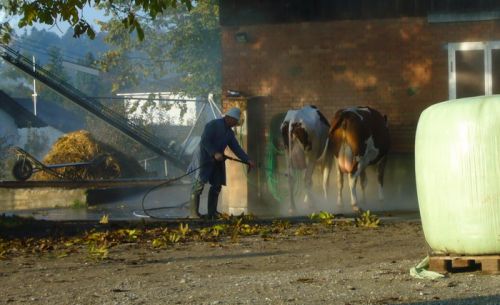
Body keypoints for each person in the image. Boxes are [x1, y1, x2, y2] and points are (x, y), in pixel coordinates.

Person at [188, 107, 256, 219]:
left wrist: (247, 159)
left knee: (217, 184)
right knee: (198, 184)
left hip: (218, 159)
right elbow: (205, 140)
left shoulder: (229, 133)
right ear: (228, 118)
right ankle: (193, 214)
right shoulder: (213, 125)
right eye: (234, 121)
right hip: (204, 158)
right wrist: (214, 152)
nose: (235, 124)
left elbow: (236, 148)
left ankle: (212, 213)